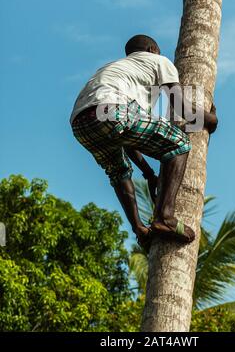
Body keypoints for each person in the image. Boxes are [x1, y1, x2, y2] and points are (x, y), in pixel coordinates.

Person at [70, 34, 218, 250]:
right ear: (152, 49)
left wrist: (148, 173)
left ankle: (139, 228)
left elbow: (130, 139)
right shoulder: (159, 61)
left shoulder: (117, 70)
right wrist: (211, 119)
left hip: (81, 122)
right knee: (179, 144)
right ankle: (165, 217)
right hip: (114, 109)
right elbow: (180, 106)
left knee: (118, 172)